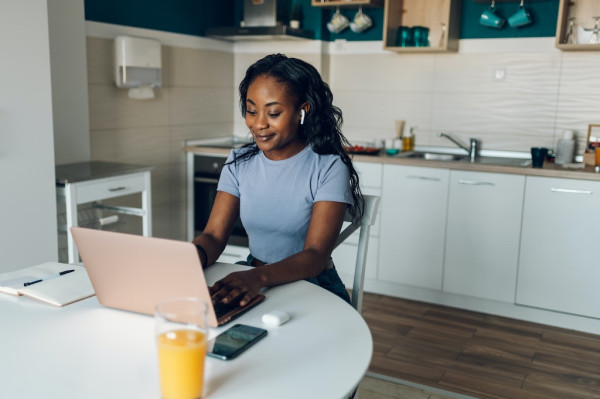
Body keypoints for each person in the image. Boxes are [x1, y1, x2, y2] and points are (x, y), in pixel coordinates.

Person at [192, 53, 363, 307]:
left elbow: (315, 256)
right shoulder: (239, 163)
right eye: (251, 111)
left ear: (302, 111)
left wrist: (257, 277)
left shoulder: (328, 167)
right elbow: (214, 237)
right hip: (254, 276)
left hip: (311, 284)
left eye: (273, 113)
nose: (258, 123)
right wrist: (189, 258)